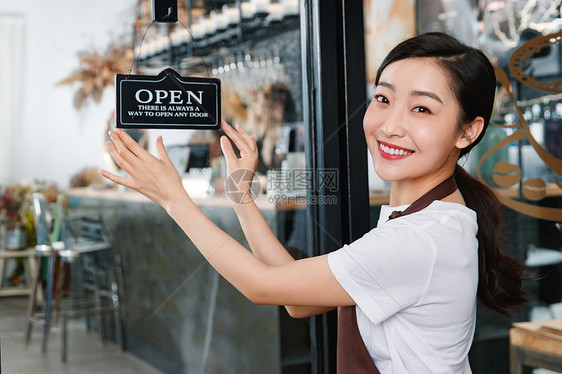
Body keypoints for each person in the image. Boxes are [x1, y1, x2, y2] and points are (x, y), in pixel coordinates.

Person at [100, 32, 528, 373]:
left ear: (468, 132)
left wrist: (175, 200)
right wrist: (241, 195)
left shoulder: (419, 240)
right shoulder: (426, 220)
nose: (390, 125)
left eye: (421, 109)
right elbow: (294, 296)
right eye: (383, 99)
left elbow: (261, 286)